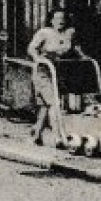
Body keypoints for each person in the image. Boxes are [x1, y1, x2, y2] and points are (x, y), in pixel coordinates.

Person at [28, 9, 79, 146]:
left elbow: (74, 49)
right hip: (43, 72)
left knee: (47, 105)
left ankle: (36, 133)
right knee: (54, 103)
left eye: (62, 18)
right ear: (51, 21)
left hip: (59, 71)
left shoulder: (68, 34)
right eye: (57, 19)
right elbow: (31, 48)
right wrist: (37, 58)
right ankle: (58, 137)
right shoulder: (44, 33)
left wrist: (83, 56)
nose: (60, 21)